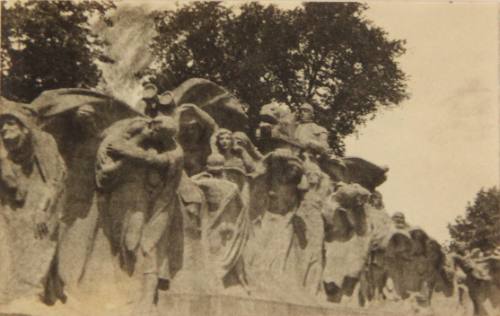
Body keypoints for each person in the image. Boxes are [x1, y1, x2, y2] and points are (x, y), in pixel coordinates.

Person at [0, 107, 66, 305]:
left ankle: (33, 294)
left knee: (39, 238)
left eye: (10, 123)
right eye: (1, 125)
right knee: (11, 244)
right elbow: (14, 189)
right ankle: (11, 294)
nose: (3, 128)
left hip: (44, 198)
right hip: (15, 205)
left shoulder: (43, 142)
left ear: (25, 127)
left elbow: (55, 180)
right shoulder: (6, 153)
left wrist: (42, 209)